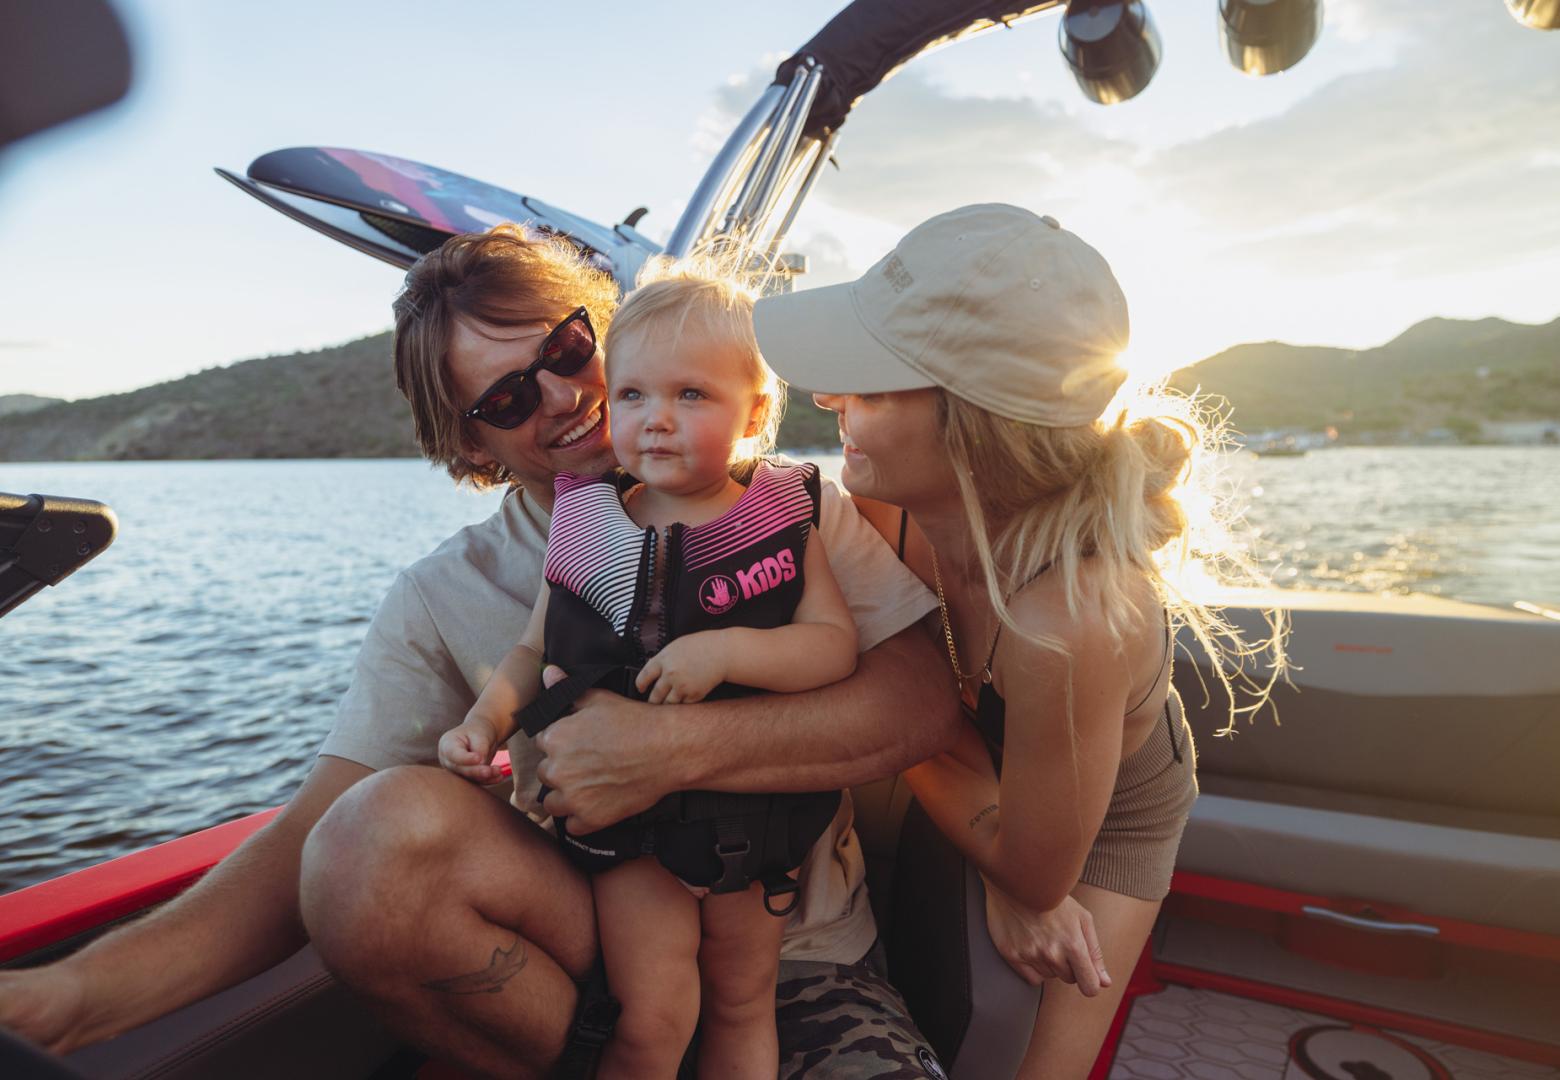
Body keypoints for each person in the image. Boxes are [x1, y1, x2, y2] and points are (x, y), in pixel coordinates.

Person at [0, 224, 959, 1080]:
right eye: (505, 395)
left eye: (567, 349)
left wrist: (670, 749)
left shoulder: (786, 508)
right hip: (594, 972)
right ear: (474, 446)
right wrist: (68, 1001)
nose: (562, 395)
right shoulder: (441, 594)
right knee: (367, 840)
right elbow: (311, 840)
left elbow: (919, 703)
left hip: (797, 961)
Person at [753, 203, 1285, 1077]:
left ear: (972, 425)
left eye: (870, 383)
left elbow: (1034, 873)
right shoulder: (883, 503)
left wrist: (1007, 868)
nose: (827, 398)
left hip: (1107, 819)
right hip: (978, 744)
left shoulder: (1071, 620)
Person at [437, 263, 858, 1079]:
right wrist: (481, 724)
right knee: (652, 1017)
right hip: (631, 842)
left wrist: (727, 650)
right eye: (632, 396)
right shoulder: (587, 526)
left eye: (691, 396)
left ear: (755, 411)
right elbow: (533, 652)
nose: (656, 421)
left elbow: (831, 646)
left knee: (741, 1002)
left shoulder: (782, 519)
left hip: (753, 833)